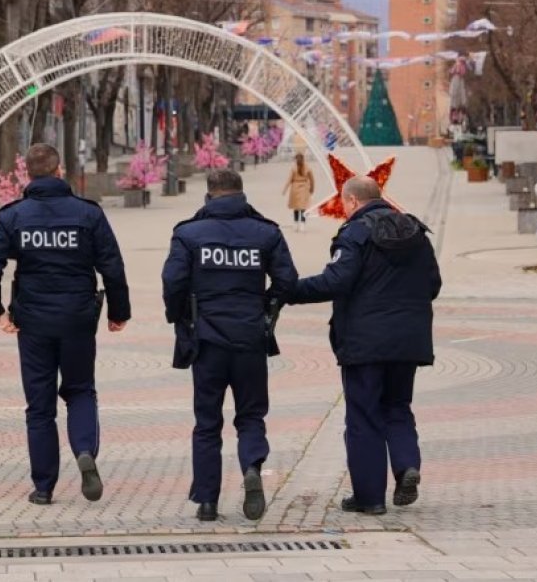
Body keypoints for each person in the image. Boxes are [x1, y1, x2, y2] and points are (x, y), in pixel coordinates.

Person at [0, 143, 130, 505]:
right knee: (80, 390)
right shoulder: (88, 214)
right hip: (78, 318)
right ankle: (84, 451)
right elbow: (112, 265)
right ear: (60, 171)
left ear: (27, 173)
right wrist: (118, 312)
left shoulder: (14, 216)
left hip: (33, 322)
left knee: (39, 405)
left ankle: (44, 487)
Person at [289, 176, 441, 515]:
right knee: (398, 407)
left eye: (345, 204)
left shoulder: (355, 232)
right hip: (409, 342)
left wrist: (290, 291)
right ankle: (406, 465)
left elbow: (336, 281)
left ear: (354, 201)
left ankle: (369, 497)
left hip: (365, 343)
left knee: (364, 416)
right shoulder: (414, 231)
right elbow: (433, 283)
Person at [162, 169, 298, 522]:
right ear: (242, 193)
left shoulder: (189, 233)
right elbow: (287, 280)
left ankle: (207, 501)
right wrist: (267, 308)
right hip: (250, 337)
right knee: (250, 414)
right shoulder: (266, 232)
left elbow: (173, 281)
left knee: (207, 422)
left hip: (206, 340)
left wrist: (179, 317)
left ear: (209, 195)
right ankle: (251, 466)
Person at [282, 153, 315, 232]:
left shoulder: (293, 168)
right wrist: (312, 189)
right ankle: (303, 225)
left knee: (296, 207)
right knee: (303, 207)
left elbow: (289, 179)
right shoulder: (308, 167)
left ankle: (296, 224)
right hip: (304, 187)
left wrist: (285, 189)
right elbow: (312, 179)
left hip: (295, 188)